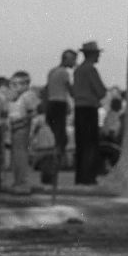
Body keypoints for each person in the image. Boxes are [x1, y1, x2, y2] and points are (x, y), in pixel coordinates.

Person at [72, 41, 107, 184]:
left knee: (81, 143)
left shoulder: (78, 70)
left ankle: (80, 176)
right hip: (89, 108)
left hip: (79, 107)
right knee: (91, 144)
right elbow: (101, 90)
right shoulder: (90, 70)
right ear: (92, 54)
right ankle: (89, 176)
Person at [43, 49, 76, 181]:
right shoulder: (64, 73)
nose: (74, 62)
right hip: (59, 104)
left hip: (51, 104)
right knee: (60, 137)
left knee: (57, 136)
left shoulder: (52, 71)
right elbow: (71, 91)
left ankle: (54, 164)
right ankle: (55, 166)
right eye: (73, 60)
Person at [6, 71, 40, 195]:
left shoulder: (28, 96)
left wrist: (23, 122)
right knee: (16, 156)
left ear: (26, 84)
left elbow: (33, 113)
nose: (14, 87)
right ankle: (17, 180)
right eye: (12, 84)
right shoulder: (14, 97)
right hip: (14, 128)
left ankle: (22, 182)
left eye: (17, 84)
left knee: (21, 155)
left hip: (22, 128)